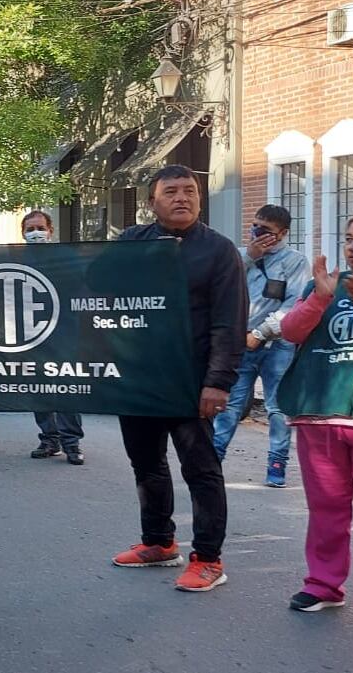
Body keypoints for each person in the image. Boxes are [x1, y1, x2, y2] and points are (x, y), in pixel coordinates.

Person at [112, 165, 246, 592]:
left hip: (192, 382)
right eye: (171, 192)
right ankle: (158, 542)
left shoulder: (219, 251)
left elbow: (230, 322)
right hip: (138, 380)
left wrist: (218, 382)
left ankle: (208, 558)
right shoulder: (130, 245)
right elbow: (96, 295)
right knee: (146, 465)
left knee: (201, 471)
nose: (182, 198)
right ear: (152, 201)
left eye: (190, 191)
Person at [276, 210, 353, 634]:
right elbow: (291, 331)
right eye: (349, 237)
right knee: (325, 510)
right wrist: (319, 298)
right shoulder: (324, 284)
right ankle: (323, 585)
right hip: (319, 415)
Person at [210, 205, 309, 487]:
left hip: (277, 345)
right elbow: (221, 283)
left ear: (283, 234)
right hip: (240, 343)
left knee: (277, 408)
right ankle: (213, 459)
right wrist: (251, 256)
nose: (258, 233)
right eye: (255, 226)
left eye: (265, 230)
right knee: (229, 405)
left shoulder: (295, 262)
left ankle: (277, 464)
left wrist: (261, 333)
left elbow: (293, 306)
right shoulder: (240, 256)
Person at [21, 210, 87, 465]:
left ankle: (72, 442)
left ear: (50, 231)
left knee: (66, 387)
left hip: (63, 332)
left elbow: (77, 283)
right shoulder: (16, 258)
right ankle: (49, 438)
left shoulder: (65, 256)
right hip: (29, 334)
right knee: (39, 387)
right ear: (23, 233)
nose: (35, 233)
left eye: (40, 227)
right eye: (30, 229)